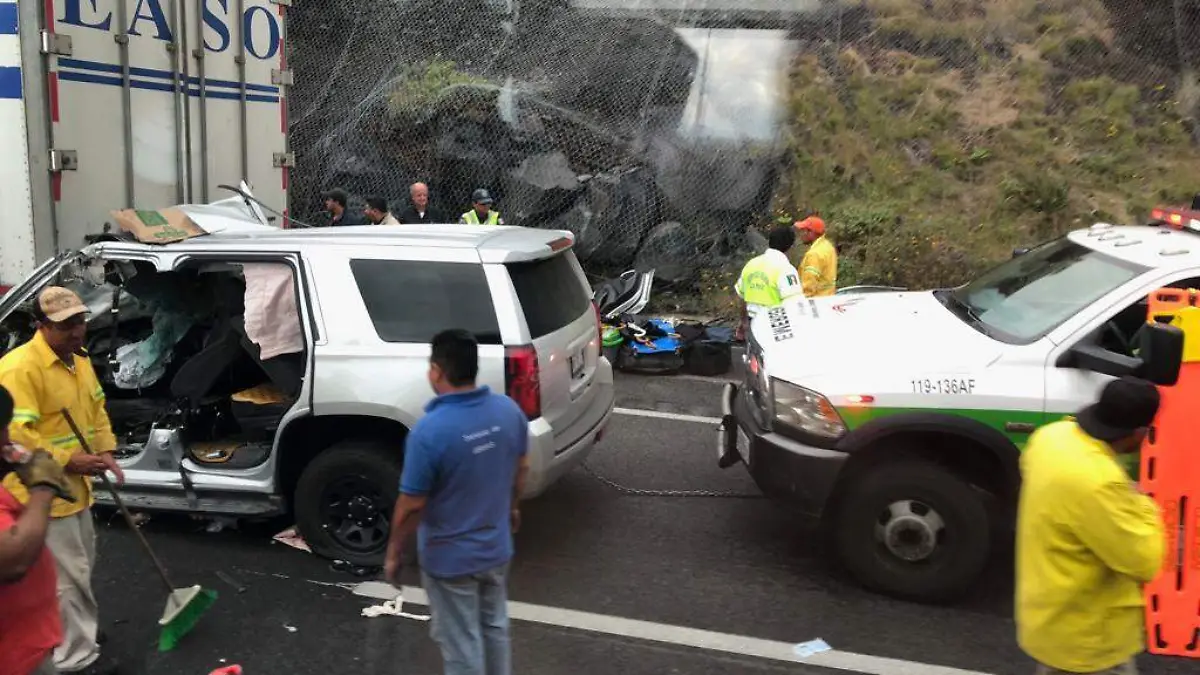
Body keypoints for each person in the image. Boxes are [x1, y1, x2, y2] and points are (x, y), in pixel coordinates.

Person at [384, 329, 529, 675]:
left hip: (451, 561)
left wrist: (394, 552)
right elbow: (521, 467)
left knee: (462, 646)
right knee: (494, 628)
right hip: (496, 549)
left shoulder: (430, 431)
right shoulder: (508, 411)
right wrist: (512, 507)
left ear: (436, 370)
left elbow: (412, 505)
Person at [0, 287, 124, 675]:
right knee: (65, 579)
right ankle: (76, 658)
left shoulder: (79, 361)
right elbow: (17, 434)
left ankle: (74, 631)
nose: (76, 331)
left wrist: (105, 451)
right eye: (65, 325)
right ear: (40, 326)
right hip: (40, 492)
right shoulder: (19, 368)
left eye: (80, 321)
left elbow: (96, 408)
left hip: (76, 489)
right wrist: (69, 460)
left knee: (78, 568)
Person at [1016, 376, 1166, 675]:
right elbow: (1144, 561)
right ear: (1138, 433)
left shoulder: (1051, 437)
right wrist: (1144, 505)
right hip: (1088, 641)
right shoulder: (1100, 483)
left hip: (1047, 619)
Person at [1, 384, 75, 675]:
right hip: (14, 660)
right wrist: (43, 487)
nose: (7, 438)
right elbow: (13, 560)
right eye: (1, 430)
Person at [734, 223, 803, 341]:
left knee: (754, 357)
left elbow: (740, 297)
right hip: (776, 326)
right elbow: (794, 305)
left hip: (752, 323)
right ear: (790, 247)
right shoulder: (786, 269)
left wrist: (744, 322)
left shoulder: (752, 264)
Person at [795, 214, 837, 297]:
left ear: (811, 232)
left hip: (816, 302)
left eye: (803, 230)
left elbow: (808, 287)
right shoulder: (828, 247)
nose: (800, 234)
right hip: (828, 299)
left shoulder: (814, 254)